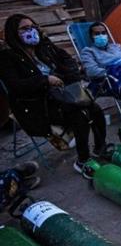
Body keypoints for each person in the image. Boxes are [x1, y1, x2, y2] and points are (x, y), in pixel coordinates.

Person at [0, 14, 107, 176]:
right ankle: (83, 160)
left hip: (62, 95)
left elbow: (68, 61)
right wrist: (45, 80)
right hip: (37, 105)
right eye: (24, 29)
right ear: (14, 33)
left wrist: (68, 75)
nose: (31, 31)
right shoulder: (7, 57)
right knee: (81, 114)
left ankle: (100, 148)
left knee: (95, 109)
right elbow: (16, 86)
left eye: (32, 27)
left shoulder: (44, 46)